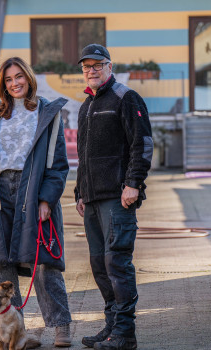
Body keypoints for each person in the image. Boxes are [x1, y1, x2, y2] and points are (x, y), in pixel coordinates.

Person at [0, 57, 73, 347]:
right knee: (2, 264)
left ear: (28, 77)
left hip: (33, 191)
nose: (14, 83)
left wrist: (47, 199)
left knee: (43, 264)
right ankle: (14, 332)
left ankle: (61, 326)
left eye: (18, 77)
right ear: (3, 85)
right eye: (8, 80)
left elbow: (58, 164)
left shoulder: (47, 114)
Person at [74, 44, 152, 350]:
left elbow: (142, 144)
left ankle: (125, 334)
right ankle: (111, 327)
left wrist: (134, 183)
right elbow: (83, 156)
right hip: (91, 201)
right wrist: (80, 192)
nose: (91, 70)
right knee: (99, 265)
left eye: (97, 65)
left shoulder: (126, 98)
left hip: (118, 199)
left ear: (110, 66)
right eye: (86, 66)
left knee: (117, 263)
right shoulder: (86, 106)